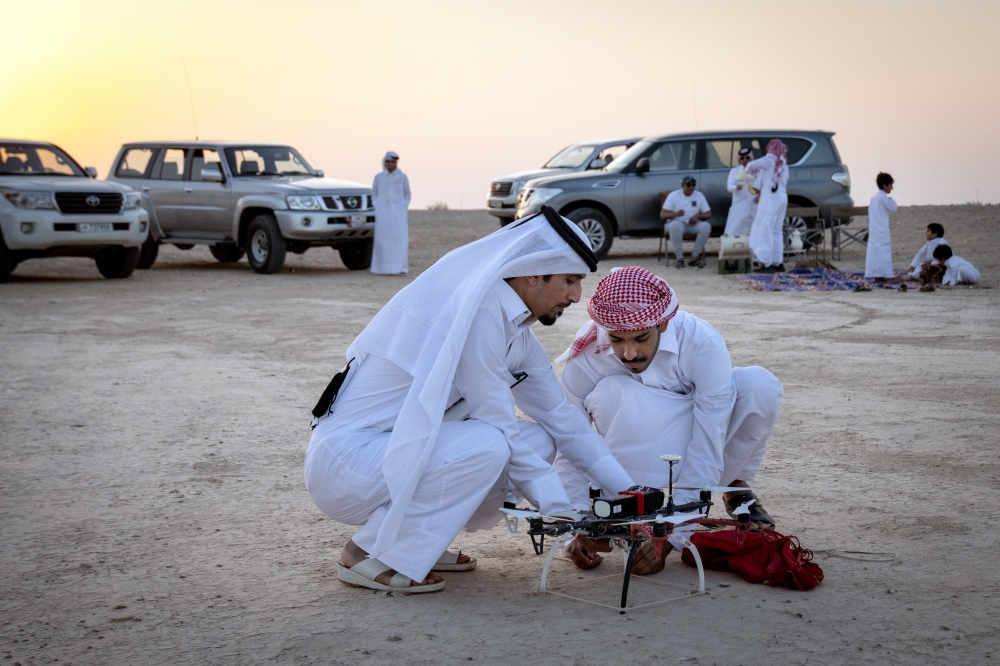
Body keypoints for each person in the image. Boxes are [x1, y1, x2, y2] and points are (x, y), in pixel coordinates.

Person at [304, 207, 634, 594]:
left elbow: (561, 417)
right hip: (347, 464)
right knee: (491, 442)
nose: (577, 296)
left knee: (540, 439)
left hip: (392, 452)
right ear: (532, 272)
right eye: (570, 280)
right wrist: (561, 508)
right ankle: (367, 551)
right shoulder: (476, 314)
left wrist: (627, 492)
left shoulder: (517, 333)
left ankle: (420, 541)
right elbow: (497, 421)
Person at [555, 266, 783, 575]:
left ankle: (731, 484)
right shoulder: (588, 356)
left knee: (759, 386)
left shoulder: (701, 343)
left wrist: (673, 536)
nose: (629, 353)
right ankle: (632, 510)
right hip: (634, 452)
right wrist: (577, 525)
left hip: (695, 437)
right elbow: (570, 442)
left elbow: (708, 440)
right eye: (617, 339)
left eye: (641, 337)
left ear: (663, 323)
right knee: (611, 391)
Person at [747, 139, 789, 272]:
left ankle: (766, 263)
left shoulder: (769, 160)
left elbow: (752, 164)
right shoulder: (784, 164)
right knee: (776, 230)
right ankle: (778, 262)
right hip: (782, 198)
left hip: (770, 198)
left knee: (765, 228)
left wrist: (747, 175)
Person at [371, 151, 411, 275]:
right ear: (386, 163)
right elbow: (374, 194)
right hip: (383, 212)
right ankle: (381, 268)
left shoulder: (402, 177)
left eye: (395, 162)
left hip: (399, 213)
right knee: (383, 239)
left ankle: (400, 268)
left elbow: (407, 193)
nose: (394, 165)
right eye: (392, 162)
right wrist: (377, 206)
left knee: (399, 239)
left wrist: (403, 205)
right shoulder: (379, 177)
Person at [661, 176, 712, 268]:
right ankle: (679, 258)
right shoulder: (673, 195)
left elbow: (708, 214)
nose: (691, 187)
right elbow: (663, 214)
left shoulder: (699, 195)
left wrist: (697, 216)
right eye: (689, 185)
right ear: (682, 185)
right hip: (677, 222)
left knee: (706, 226)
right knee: (674, 225)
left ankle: (694, 257)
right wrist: (675, 214)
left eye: (693, 185)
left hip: (692, 224)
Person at [865, 172, 898, 280]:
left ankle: (875, 273)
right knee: (883, 252)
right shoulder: (884, 198)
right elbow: (894, 208)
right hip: (882, 230)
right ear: (885, 185)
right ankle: (885, 274)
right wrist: (891, 199)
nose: (891, 188)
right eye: (890, 185)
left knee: (874, 252)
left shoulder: (873, 198)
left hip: (874, 229)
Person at [724, 148, 758, 236]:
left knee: (754, 225)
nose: (745, 160)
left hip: (754, 202)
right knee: (736, 225)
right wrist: (736, 187)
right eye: (742, 158)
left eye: (747, 158)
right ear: (739, 159)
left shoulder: (757, 170)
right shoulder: (735, 171)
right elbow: (729, 187)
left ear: (751, 158)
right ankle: (735, 246)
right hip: (739, 203)